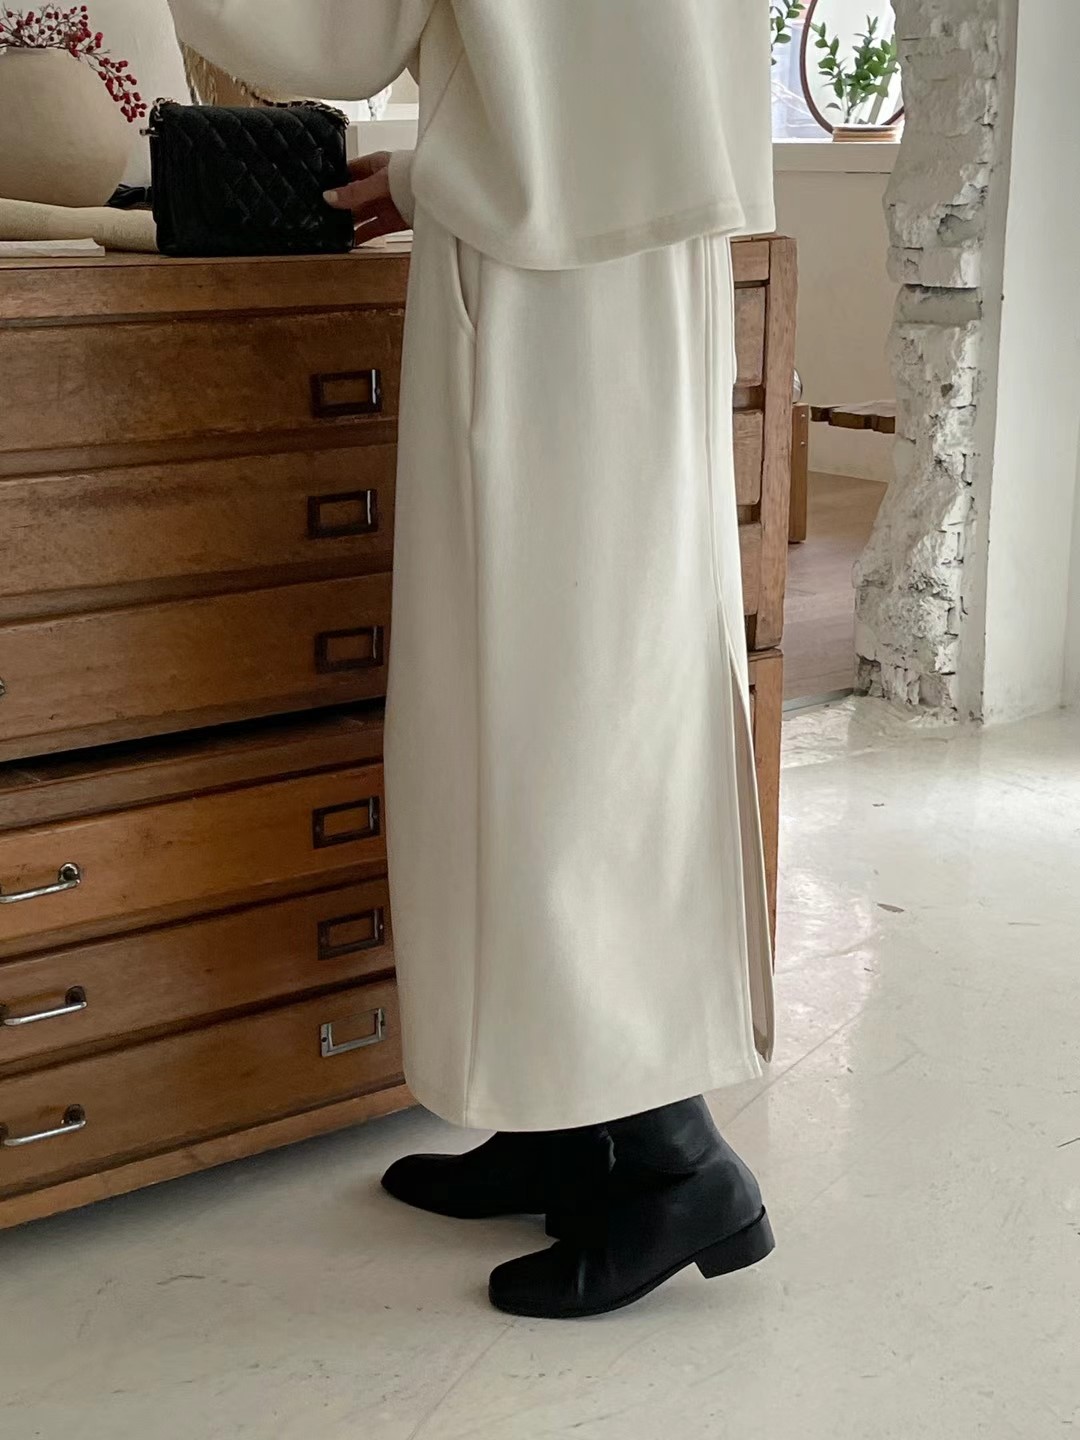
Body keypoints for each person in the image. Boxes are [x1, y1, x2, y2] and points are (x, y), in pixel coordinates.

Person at [167, 0, 778, 1319]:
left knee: (551, 718)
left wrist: (471, 161)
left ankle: (676, 1159)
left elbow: (335, 40)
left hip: (542, 284)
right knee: (595, 694)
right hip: (633, 255)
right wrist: (480, 154)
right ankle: (570, 1118)